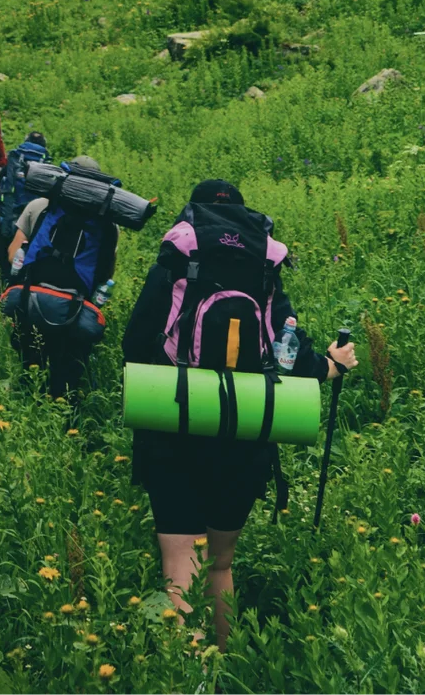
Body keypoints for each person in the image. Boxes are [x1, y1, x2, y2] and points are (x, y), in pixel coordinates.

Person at [118, 179, 359, 649]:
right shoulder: (263, 271)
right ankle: (225, 664)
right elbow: (293, 359)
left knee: (181, 560)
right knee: (220, 563)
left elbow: (134, 343)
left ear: (194, 215)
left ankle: (189, 673)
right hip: (244, 431)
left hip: (174, 427)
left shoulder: (176, 259)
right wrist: (333, 365)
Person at [0, 154, 118, 399]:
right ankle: (68, 420)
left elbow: (13, 255)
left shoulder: (39, 206)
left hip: (30, 302)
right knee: (67, 379)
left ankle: (25, 412)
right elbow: (105, 273)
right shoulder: (109, 225)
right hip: (75, 311)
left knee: (29, 369)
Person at [0, 131, 51, 293]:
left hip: (8, 224)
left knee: (3, 270)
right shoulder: (48, 170)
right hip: (32, 231)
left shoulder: (10, 167)